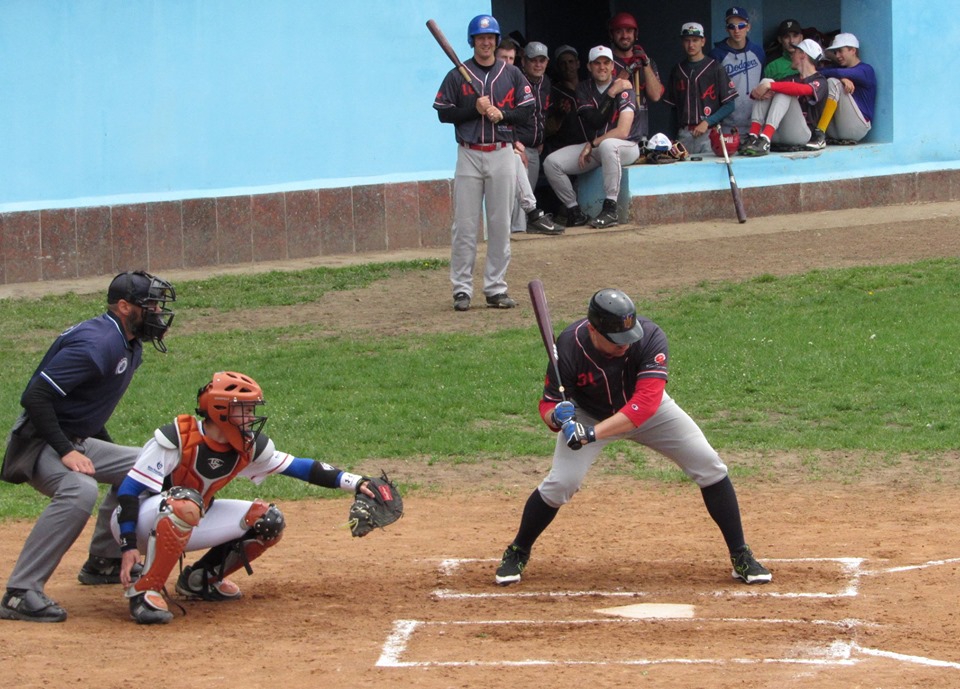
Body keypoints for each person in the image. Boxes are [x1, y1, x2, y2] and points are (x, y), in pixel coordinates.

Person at [494, 289, 771, 587]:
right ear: (592, 330)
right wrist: (560, 418)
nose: (624, 346)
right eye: (616, 340)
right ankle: (518, 550)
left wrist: (590, 434)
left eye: (628, 337)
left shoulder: (650, 338)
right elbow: (548, 403)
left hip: (647, 413)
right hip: (589, 416)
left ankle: (740, 554)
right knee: (562, 483)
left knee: (709, 465)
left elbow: (646, 405)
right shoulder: (569, 347)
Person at [111, 371, 379, 624]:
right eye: (246, 409)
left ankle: (201, 579)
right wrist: (128, 547)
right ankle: (145, 591)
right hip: (140, 521)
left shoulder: (247, 447)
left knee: (267, 521)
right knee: (185, 501)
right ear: (221, 411)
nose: (252, 417)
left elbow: (300, 467)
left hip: (187, 514)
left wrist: (357, 483)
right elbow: (128, 491)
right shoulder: (178, 439)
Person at [0, 270, 176, 623]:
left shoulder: (129, 343)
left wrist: (117, 463)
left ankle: (104, 561)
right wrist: (67, 451)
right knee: (78, 489)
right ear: (125, 307)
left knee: (150, 466)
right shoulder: (97, 344)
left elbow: (88, 410)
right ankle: (20, 592)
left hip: (75, 439)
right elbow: (35, 397)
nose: (157, 312)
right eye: (150, 305)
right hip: (38, 444)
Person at [433, 14, 535, 312]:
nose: (486, 42)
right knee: (464, 226)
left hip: (502, 152)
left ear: (496, 40)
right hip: (469, 152)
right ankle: (462, 290)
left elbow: (527, 112)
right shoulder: (457, 74)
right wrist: (472, 108)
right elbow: (443, 112)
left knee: (500, 224)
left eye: (490, 37)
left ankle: (495, 289)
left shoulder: (511, 73)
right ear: (473, 41)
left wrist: (501, 114)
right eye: (481, 38)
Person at [542, 46, 641, 230]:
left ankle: (610, 208)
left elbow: (623, 131)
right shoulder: (584, 89)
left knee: (609, 145)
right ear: (588, 66)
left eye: (606, 63)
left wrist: (592, 143)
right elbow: (595, 121)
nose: (602, 67)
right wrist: (611, 93)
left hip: (626, 147)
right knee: (551, 162)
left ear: (613, 65)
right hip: (596, 148)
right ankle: (574, 211)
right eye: (597, 63)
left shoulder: (626, 88)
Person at [495, 39, 560, 236]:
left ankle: (522, 229)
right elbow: (504, 117)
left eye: (542, 60)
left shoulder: (546, 83)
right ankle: (516, 232)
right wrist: (516, 143)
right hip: (517, 146)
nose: (538, 64)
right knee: (517, 195)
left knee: (526, 193)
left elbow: (541, 113)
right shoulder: (513, 80)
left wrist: (540, 139)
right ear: (524, 61)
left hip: (533, 147)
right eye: (534, 60)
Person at [739, 39, 828, 156]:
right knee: (768, 81)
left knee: (784, 90)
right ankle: (753, 136)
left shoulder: (820, 80)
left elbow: (803, 89)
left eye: (795, 52)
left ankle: (765, 139)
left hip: (803, 135)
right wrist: (756, 92)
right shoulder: (791, 77)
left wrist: (770, 86)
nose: (791, 55)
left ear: (803, 55)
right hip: (781, 133)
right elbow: (767, 88)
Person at [663, 22, 738, 156]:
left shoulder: (715, 67)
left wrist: (708, 122)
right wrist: (671, 138)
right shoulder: (677, 70)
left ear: (703, 41)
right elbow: (673, 110)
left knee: (709, 174)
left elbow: (730, 105)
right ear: (682, 42)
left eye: (695, 40)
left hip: (709, 132)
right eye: (687, 40)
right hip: (684, 133)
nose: (691, 45)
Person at [805, 32, 875, 150]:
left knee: (833, 82)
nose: (837, 55)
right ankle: (817, 133)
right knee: (823, 83)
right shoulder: (838, 69)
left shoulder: (866, 70)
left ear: (853, 50)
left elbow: (836, 73)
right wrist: (842, 79)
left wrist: (840, 78)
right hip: (837, 130)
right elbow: (817, 73)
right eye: (835, 52)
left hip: (858, 127)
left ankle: (819, 134)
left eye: (840, 51)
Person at [607, 11, 664, 141]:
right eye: (619, 31)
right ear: (612, 34)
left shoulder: (648, 62)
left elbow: (655, 95)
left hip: (640, 133)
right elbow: (606, 96)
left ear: (635, 34)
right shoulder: (605, 62)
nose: (624, 35)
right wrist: (629, 69)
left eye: (629, 31)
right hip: (613, 133)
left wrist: (645, 63)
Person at [710, 7, 765, 134]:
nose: (737, 30)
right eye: (731, 26)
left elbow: (762, 83)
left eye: (741, 26)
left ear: (748, 27)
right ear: (726, 29)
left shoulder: (758, 52)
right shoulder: (716, 55)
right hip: (726, 125)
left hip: (755, 122)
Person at [544, 44, 586, 158]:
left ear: (578, 63)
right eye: (563, 63)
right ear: (557, 67)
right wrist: (559, 114)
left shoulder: (588, 88)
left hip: (589, 149)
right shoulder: (552, 92)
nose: (567, 66)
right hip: (563, 151)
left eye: (571, 62)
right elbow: (546, 129)